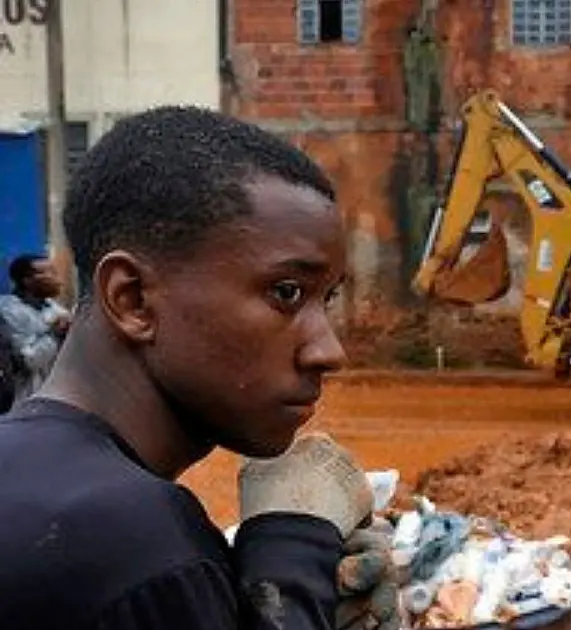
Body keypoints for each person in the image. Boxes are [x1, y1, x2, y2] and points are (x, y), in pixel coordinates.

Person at [0, 106, 401, 630]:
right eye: (286, 293)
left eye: (325, 301)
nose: (329, 351)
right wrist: (292, 557)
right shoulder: (141, 548)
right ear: (133, 298)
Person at [0, 253, 71, 403]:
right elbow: (27, 361)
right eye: (47, 273)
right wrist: (54, 334)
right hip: (21, 401)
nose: (55, 279)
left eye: (54, 272)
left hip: (56, 398)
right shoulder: (8, 311)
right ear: (27, 281)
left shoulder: (56, 309)